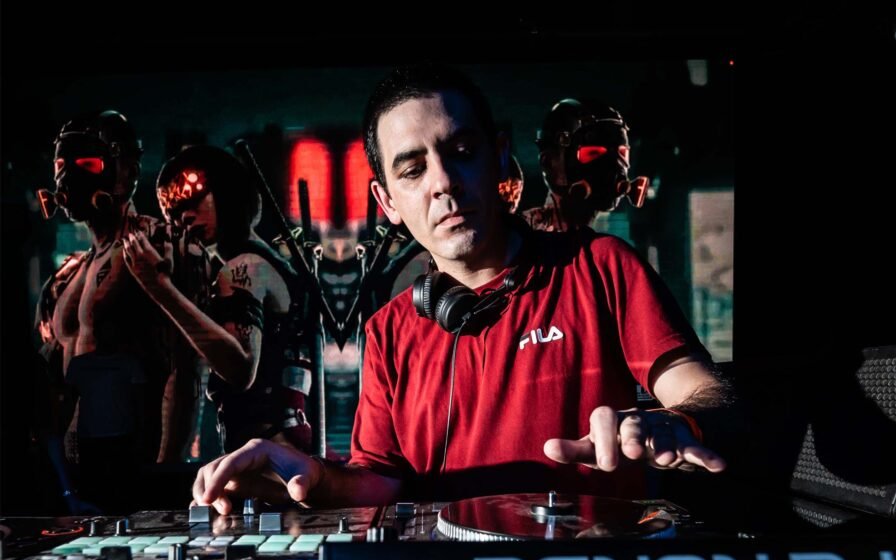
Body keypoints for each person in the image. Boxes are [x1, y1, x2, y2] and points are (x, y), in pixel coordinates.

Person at [191, 65, 730, 513]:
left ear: (499, 156)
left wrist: (675, 421)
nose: (443, 183)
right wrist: (312, 475)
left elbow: (707, 392)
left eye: (462, 150)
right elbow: (380, 481)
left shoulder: (601, 267)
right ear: (387, 203)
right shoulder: (388, 331)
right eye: (412, 170)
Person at [35, 110, 183, 512]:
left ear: (126, 171)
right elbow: (49, 387)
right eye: (62, 165)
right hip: (72, 477)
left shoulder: (157, 245)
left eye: (87, 164)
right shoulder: (65, 276)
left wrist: (165, 470)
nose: (68, 178)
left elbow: (185, 366)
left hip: (134, 467)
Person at [122, 144, 313, 456]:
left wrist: (159, 288)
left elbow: (240, 370)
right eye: (173, 212)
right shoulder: (259, 265)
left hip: (269, 456)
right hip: (271, 452)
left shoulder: (243, 267)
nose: (184, 217)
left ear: (226, 192)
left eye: (194, 201)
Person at [522, 98, 649, 232]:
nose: (613, 166)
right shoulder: (523, 233)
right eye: (593, 153)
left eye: (622, 154)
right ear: (549, 163)